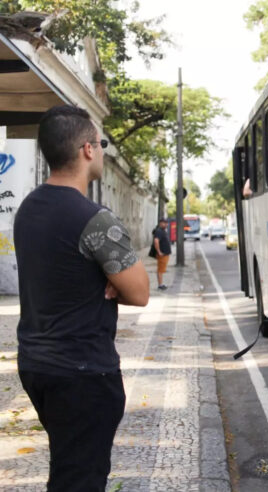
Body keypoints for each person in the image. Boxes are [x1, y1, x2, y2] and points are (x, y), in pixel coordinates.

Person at [13, 105, 150, 491]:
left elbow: (57, 278)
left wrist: (96, 281)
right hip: (84, 371)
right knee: (81, 479)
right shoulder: (95, 219)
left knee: (68, 468)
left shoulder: (27, 210)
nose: (103, 152)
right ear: (88, 150)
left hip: (37, 365)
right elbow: (139, 292)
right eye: (102, 144)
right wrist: (105, 283)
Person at [153, 218, 172, 290]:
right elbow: (156, 241)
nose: (166, 224)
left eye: (166, 223)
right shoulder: (159, 231)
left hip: (165, 254)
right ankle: (160, 285)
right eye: (164, 223)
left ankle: (161, 283)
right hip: (162, 254)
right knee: (160, 269)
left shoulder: (163, 231)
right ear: (160, 223)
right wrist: (159, 251)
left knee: (162, 269)